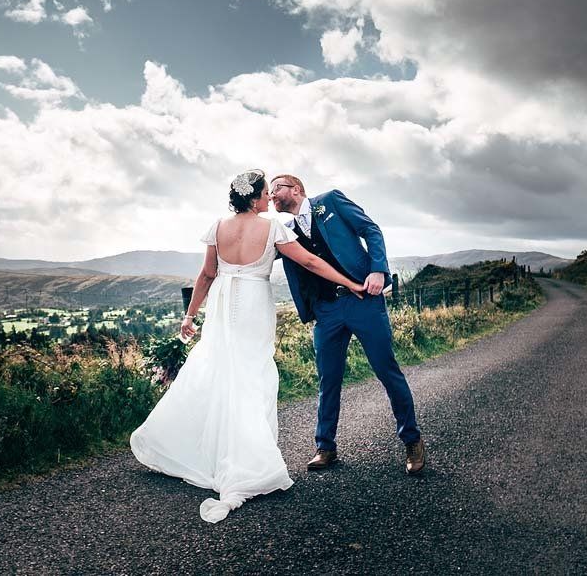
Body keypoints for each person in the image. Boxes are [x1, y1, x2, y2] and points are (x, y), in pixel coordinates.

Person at [129, 169, 365, 524]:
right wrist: (352, 283)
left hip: (223, 302)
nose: (270, 198)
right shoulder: (272, 228)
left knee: (219, 369)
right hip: (253, 302)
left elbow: (206, 275)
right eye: (266, 194)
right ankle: (247, 460)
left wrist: (189, 316)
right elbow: (310, 261)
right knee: (251, 375)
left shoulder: (217, 226)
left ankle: (201, 448)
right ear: (255, 198)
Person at [269, 174, 425, 476]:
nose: (272, 195)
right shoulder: (282, 230)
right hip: (326, 311)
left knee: (386, 371)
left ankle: (412, 441)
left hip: (363, 301)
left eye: (276, 189)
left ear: (297, 189)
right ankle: (325, 447)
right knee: (328, 379)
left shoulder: (330, 201)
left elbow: (371, 229)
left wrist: (379, 270)